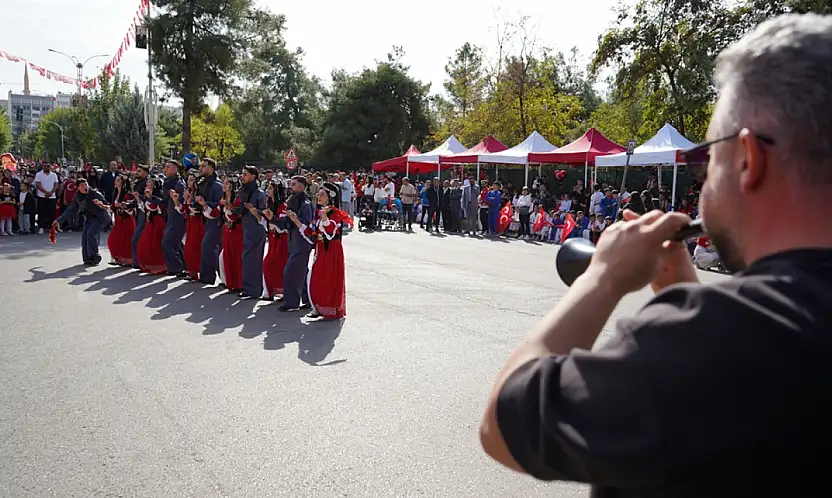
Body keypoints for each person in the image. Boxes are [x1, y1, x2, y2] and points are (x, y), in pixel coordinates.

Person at [480, 14, 832, 496]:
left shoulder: (720, 337)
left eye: (705, 159)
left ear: (749, 159)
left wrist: (601, 277)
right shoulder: (740, 336)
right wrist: (682, 291)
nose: (702, 178)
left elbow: (505, 424)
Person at [287, 182, 351, 320]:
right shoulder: (318, 213)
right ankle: (317, 307)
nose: (318, 196)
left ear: (329, 197)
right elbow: (312, 232)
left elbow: (330, 232)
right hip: (320, 249)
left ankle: (328, 308)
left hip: (332, 250)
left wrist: (324, 217)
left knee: (328, 278)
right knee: (316, 278)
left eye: (322, 194)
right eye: (318, 193)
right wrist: (296, 221)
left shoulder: (335, 214)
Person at [52, 179, 110, 266]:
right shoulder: (77, 197)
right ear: (78, 188)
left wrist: (100, 204)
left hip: (100, 217)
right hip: (90, 217)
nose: (85, 187)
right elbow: (71, 210)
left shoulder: (95, 193)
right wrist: (58, 220)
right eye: (82, 185)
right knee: (85, 235)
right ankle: (87, 258)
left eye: (86, 184)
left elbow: (107, 205)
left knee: (91, 233)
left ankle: (94, 256)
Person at [277, 175, 314, 311]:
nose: (290, 187)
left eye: (293, 184)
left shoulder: (305, 204)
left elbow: (307, 225)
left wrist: (295, 218)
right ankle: (308, 299)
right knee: (302, 272)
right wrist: (272, 219)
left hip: (302, 243)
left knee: (290, 272)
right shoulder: (292, 201)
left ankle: (292, 302)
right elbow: (286, 224)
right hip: (293, 242)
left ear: (301, 187)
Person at [238, 166, 268, 299]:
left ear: (253, 176)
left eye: (245, 174)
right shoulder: (243, 191)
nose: (242, 176)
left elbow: (264, 213)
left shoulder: (259, 193)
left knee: (253, 259)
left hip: (256, 228)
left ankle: (254, 290)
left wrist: (254, 210)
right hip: (246, 227)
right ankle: (247, 287)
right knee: (246, 258)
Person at [195, 158, 224, 285]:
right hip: (205, 218)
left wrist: (205, 203)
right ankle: (222, 276)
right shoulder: (203, 182)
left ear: (212, 168)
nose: (201, 168)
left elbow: (219, 204)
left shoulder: (217, 185)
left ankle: (208, 276)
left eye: (204, 166)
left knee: (209, 246)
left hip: (215, 220)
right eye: (201, 166)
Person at [262, 181, 290, 300]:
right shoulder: (269, 204)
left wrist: (272, 219)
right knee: (269, 264)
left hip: (281, 239)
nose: (268, 190)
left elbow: (283, 225)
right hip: (273, 238)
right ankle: (271, 291)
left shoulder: (283, 206)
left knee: (278, 264)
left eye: (270, 188)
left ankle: (282, 291)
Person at [175, 175, 204, 281]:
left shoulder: (199, 194)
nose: (188, 182)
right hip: (190, 222)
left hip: (198, 222)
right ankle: (192, 271)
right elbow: (183, 209)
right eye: (188, 179)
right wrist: (176, 200)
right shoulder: (188, 192)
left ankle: (197, 271)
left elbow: (198, 209)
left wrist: (190, 202)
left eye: (191, 180)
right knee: (189, 247)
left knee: (195, 247)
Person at [161, 160, 187, 276]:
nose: (165, 169)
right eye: (165, 167)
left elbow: (182, 203)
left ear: (176, 168)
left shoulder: (179, 184)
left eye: (168, 167)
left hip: (177, 217)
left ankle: (176, 267)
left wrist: (176, 199)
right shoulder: (168, 182)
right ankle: (184, 266)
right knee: (176, 244)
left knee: (167, 242)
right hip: (170, 215)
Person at [136, 179, 168, 275]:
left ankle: (159, 266)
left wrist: (150, 197)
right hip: (150, 222)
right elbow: (143, 208)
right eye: (147, 182)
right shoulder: (147, 196)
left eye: (150, 182)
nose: (147, 184)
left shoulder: (158, 197)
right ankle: (148, 265)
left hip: (158, 222)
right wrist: (138, 198)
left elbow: (153, 207)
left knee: (155, 245)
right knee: (145, 244)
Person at [218, 178, 243, 293]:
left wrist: (228, 206)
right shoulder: (223, 198)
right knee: (225, 256)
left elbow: (236, 216)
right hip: (226, 229)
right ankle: (229, 282)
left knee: (235, 256)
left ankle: (238, 283)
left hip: (236, 230)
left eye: (227, 183)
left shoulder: (237, 199)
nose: (224, 185)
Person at [106, 175, 136, 266]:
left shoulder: (128, 194)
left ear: (123, 183)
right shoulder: (115, 193)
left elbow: (131, 209)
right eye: (116, 180)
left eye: (118, 181)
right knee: (115, 240)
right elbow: (114, 207)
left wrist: (122, 205)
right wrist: (102, 206)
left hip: (126, 220)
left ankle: (128, 260)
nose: (115, 182)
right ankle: (120, 258)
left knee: (126, 240)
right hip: (118, 220)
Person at [131, 165, 150, 269]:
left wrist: (139, 197)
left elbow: (147, 197)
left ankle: (138, 262)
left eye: (139, 171)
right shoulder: (138, 183)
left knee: (136, 238)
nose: (137, 172)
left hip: (145, 212)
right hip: (138, 211)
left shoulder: (146, 183)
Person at [35, 163, 59, 234]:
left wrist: (51, 192)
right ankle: (41, 227)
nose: (46, 167)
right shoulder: (38, 174)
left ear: (50, 167)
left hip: (52, 196)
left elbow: (56, 185)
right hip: (42, 196)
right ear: (42, 166)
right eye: (45, 166)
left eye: (48, 166)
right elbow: (38, 185)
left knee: (52, 213)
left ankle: (52, 228)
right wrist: (46, 192)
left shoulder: (54, 175)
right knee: (42, 212)